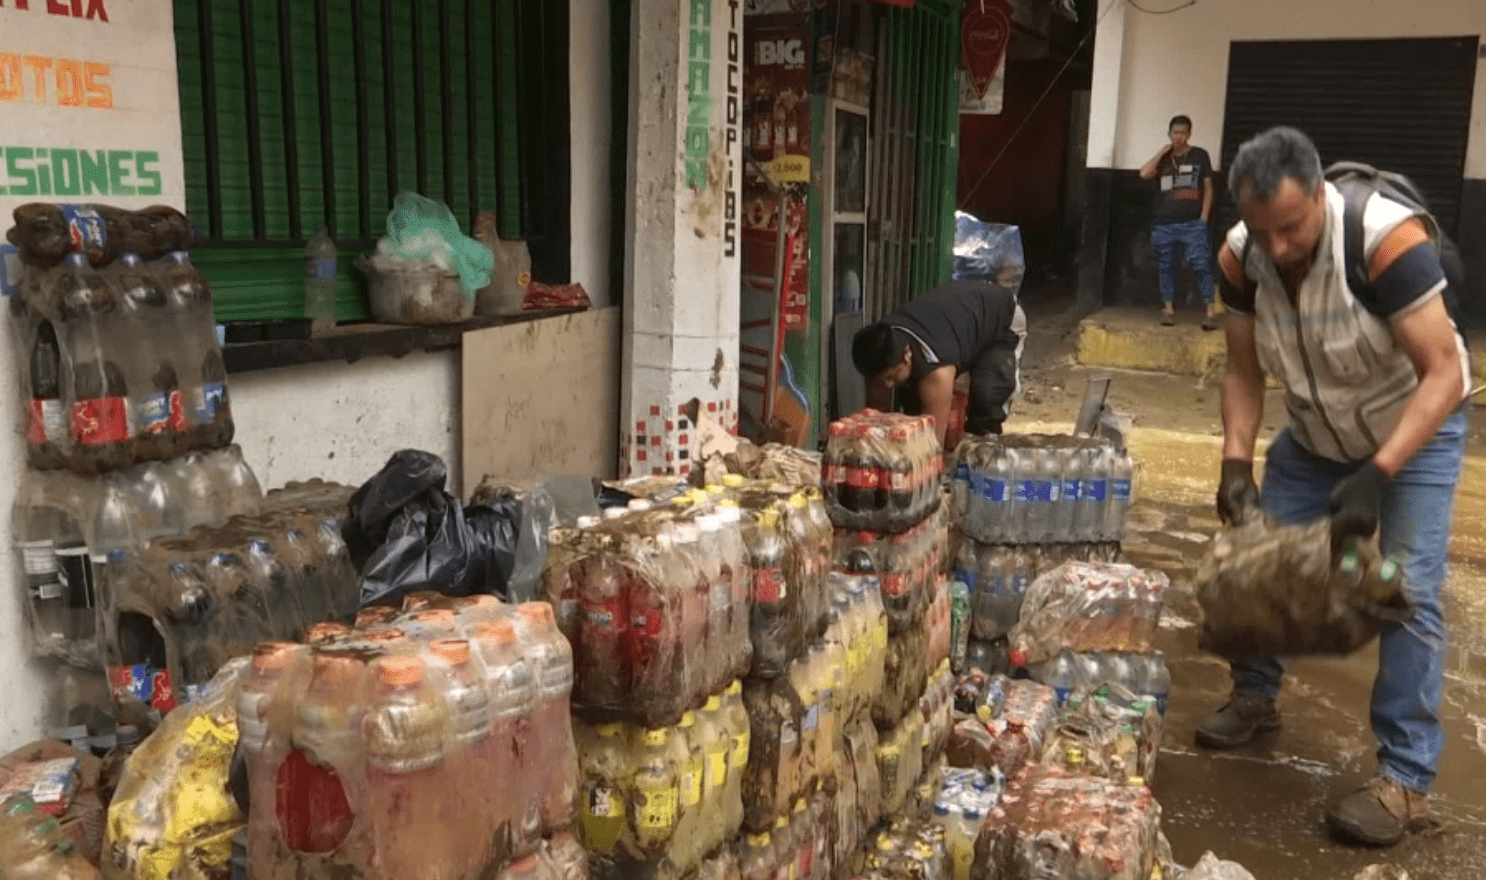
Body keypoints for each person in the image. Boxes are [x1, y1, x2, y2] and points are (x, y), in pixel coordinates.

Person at [1202, 126, 1471, 847]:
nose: (1280, 247)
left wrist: (1378, 474)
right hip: (1315, 436)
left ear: (1320, 195)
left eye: (1292, 227)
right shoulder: (1240, 255)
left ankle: (1405, 782)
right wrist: (1235, 461)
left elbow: (1445, 371)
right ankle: (1255, 698)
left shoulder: (1385, 239)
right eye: (1265, 232)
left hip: (1412, 431)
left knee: (1405, 590)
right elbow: (1242, 369)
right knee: (1256, 560)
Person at [851, 279, 1025, 446]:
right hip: (958, 320)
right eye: (881, 381)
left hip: (1000, 319)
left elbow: (933, 444)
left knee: (986, 403)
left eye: (891, 377)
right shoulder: (882, 340)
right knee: (913, 412)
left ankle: (985, 458)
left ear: (907, 353)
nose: (888, 386)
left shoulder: (936, 370)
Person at [1138, 114, 1221, 330]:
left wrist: (1203, 217)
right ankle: (1168, 309)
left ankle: (1210, 311)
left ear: (1189, 134)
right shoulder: (1164, 158)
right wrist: (1161, 153)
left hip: (1192, 223)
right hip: (1164, 222)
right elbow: (1144, 174)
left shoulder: (1200, 155)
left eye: (1183, 133)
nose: (1179, 137)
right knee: (1166, 265)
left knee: (1201, 264)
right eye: (1175, 133)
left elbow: (1209, 188)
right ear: (1169, 134)